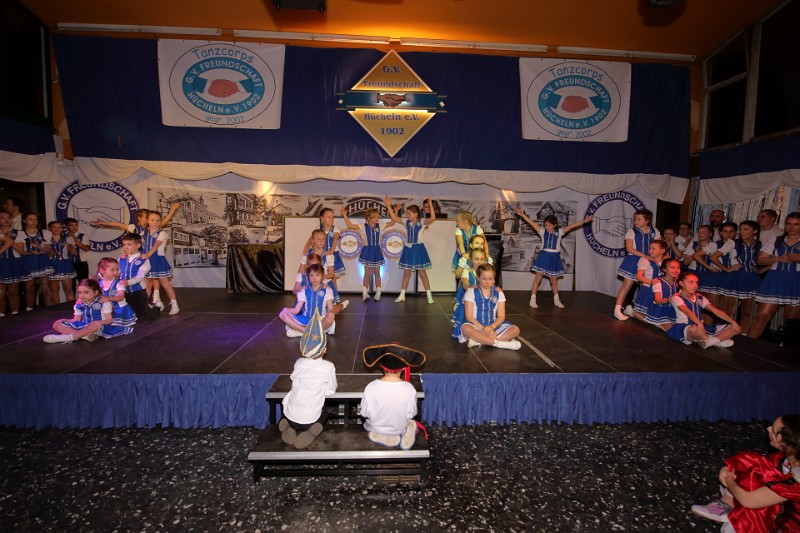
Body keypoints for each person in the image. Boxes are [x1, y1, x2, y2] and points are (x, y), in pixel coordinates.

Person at [691, 414, 800, 532]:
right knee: (756, 466)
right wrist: (728, 468)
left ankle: (734, 512)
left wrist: (730, 480)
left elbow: (747, 500)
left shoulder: (797, 480)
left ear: (788, 443)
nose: (768, 429)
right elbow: (754, 462)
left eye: (774, 431)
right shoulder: (787, 459)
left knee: (751, 506)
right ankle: (729, 502)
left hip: (791, 527)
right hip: (784, 512)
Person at [279, 310, 337, 449]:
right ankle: (312, 432)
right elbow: (331, 390)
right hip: (311, 420)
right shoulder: (328, 366)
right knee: (325, 413)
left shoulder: (298, 362)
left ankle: (286, 425)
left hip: (290, 417)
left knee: (290, 403)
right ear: (324, 350)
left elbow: (293, 378)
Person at [515, 208, 592, 309]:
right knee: (538, 278)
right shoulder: (542, 231)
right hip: (544, 256)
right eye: (545, 225)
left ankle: (556, 300)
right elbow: (531, 223)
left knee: (554, 281)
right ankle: (532, 299)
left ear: (554, 225)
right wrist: (522, 215)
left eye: (549, 225)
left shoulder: (560, 232)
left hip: (554, 258)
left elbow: (572, 226)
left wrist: (584, 221)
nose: (546, 227)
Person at [360, 343, 426, 449]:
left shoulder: (371, 387)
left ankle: (380, 435)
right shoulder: (409, 389)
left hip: (375, 428)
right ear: (403, 368)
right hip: (399, 428)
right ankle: (406, 431)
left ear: (381, 366)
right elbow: (412, 413)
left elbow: (364, 413)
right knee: (410, 422)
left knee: (369, 425)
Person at [749, 211, 800, 340]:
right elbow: (760, 260)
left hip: (796, 280)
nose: (791, 227)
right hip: (775, 279)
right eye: (788, 223)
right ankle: (747, 345)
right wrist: (778, 259)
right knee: (761, 315)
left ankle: (787, 348)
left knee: (791, 320)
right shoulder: (776, 239)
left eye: (796, 224)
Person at [453, 264, 522, 350]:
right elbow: (469, 317)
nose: (488, 282)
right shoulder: (471, 292)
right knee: (466, 329)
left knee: (515, 330)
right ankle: (500, 343)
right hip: (476, 326)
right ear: (478, 278)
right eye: (484, 279)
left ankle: (479, 341)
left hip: (493, 326)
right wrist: (484, 329)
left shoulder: (499, 293)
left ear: (494, 278)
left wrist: (491, 328)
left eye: (490, 279)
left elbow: (501, 316)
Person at [667, 271, 741, 349]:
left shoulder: (699, 297)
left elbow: (715, 311)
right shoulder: (676, 297)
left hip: (700, 326)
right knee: (693, 329)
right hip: (685, 327)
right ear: (681, 283)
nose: (695, 285)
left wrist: (733, 321)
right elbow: (687, 312)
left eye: (696, 282)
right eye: (691, 282)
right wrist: (699, 324)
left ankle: (709, 341)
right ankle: (717, 341)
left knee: (735, 327)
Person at [385, 195, 436, 304]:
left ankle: (429, 295)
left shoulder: (422, 222)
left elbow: (432, 218)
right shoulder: (406, 222)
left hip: (418, 249)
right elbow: (394, 218)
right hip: (408, 249)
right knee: (406, 273)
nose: (407, 215)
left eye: (409, 213)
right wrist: (388, 205)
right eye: (407, 213)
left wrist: (430, 204)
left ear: (416, 214)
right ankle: (402, 295)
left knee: (422, 273)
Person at [42, 279, 129, 343]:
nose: (82, 295)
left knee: (94, 325)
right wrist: (64, 320)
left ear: (95, 292)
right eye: (80, 293)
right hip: (84, 326)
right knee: (57, 324)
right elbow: (76, 320)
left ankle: (68, 337)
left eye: (86, 292)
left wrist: (99, 322)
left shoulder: (103, 302)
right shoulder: (79, 304)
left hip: (98, 326)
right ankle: (85, 336)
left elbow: (109, 320)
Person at [613, 209, 661, 321]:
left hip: (648, 262)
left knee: (646, 287)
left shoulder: (655, 231)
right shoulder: (631, 231)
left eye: (639, 219)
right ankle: (617, 309)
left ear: (647, 221)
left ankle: (643, 310)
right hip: (633, 260)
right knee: (627, 285)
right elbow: (629, 248)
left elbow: (659, 246)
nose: (636, 221)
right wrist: (646, 256)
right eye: (635, 219)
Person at [341, 206, 393, 301]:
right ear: (369, 218)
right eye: (375, 216)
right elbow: (350, 225)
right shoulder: (363, 226)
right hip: (367, 250)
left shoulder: (380, 225)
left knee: (377, 272)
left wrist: (395, 211)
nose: (377, 218)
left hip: (376, 250)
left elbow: (392, 223)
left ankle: (378, 292)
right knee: (367, 272)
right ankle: (364, 292)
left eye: (377, 216)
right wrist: (344, 214)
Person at [725, 221, 762, 336]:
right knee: (729, 310)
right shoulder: (733, 242)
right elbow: (714, 256)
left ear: (754, 231)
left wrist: (760, 270)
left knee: (746, 312)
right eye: (740, 229)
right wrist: (727, 269)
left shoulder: (759, 244)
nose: (742, 232)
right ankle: (725, 334)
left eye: (746, 229)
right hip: (735, 277)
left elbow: (771, 259)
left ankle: (744, 335)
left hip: (751, 278)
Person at [280, 263, 335, 337]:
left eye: (317, 275)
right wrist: (286, 310)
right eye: (311, 275)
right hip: (306, 320)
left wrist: (330, 313)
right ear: (308, 277)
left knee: (330, 318)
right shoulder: (304, 291)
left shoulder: (327, 290)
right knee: (282, 314)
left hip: (321, 321)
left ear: (322, 276)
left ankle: (301, 332)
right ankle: (308, 332)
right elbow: (296, 310)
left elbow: (330, 309)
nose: (314, 278)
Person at [141, 211, 179, 315]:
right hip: (147, 262)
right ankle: (143, 306)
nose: (155, 222)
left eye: (158, 220)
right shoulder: (143, 234)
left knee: (165, 284)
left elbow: (156, 245)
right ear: (147, 221)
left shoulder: (162, 233)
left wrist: (148, 254)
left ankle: (174, 305)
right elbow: (138, 246)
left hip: (158, 260)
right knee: (147, 285)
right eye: (152, 220)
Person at [13, 212, 53, 309]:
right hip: (28, 261)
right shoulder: (20, 234)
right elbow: (21, 252)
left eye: (35, 219)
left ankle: (49, 308)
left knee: (45, 286)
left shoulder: (44, 233)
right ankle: (29, 309)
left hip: (42, 260)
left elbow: (49, 250)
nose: (33, 221)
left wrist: (39, 247)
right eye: (30, 219)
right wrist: (31, 252)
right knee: (29, 287)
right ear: (24, 221)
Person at [118, 233, 160, 321]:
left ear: (138, 245)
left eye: (129, 244)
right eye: (124, 244)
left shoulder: (143, 260)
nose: (126, 247)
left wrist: (127, 282)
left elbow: (139, 277)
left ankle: (156, 309)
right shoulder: (121, 259)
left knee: (143, 317)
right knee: (127, 316)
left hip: (138, 292)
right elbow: (117, 272)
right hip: (124, 291)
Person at [626, 239, 667, 320]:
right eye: (649, 248)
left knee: (659, 315)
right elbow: (639, 276)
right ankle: (631, 312)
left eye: (653, 249)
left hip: (661, 291)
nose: (650, 251)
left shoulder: (666, 262)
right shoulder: (645, 260)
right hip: (648, 290)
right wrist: (651, 282)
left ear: (662, 251)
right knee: (648, 316)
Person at [451, 247, 488, 339]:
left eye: (482, 259)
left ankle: (479, 335)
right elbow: (465, 285)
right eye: (476, 259)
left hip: (481, 301)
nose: (479, 262)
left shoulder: (487, 272)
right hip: (469, 301)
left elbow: (491, 284)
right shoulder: (467, 271)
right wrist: (473, 288)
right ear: (470, 259)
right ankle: (466, 334)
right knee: (467, 319)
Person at [686, 224, 722, 318]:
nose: (700, 234)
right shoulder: (693, 244)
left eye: (704, 232)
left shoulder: (715, 245)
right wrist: (695, 253)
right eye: (699, 232)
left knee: (711, 305)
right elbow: (685, 262)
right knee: (696, 303)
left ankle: (709, 325)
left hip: (711, 275)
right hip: (695, 274)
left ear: (710, 234)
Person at [709, 222, 741, 318]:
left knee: (728, 309)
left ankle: (726, 326)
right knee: (715, 308)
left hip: (732, 277)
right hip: (717, 276)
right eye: (725, 231)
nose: (728, 234)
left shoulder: (739, 245)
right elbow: (707, 258)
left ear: (735, 233)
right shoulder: (715, 244)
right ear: (720, 233)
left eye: (731, 231)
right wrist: (725, 269)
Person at [96, 257, 138, 333]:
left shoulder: (119, 283)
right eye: (112, 270)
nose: (116, 272)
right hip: (106, 310)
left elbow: (121, 297)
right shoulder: (99, 283)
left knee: (109, 326)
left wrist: (108, 298)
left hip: (118, 309)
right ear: (102, 270)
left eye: (117, 269)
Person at [639, 257, 680, 331]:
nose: (676, 270)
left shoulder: (677, 283)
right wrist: (669, 299)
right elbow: (657, 301)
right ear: (664, 269)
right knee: (670, 329)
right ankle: (632, 312)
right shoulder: (658, 282)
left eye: (678, 267)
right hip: (659, 310)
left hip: (671, 310)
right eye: (672, 267)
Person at [46, 220, 76, 305]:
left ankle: (71, 307)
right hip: (52, 264)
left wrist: (71, 249)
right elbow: (46, 254)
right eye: (54, 227)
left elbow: (75, 253)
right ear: (50, 229)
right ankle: (57, 308)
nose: (57, 229)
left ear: (62, 229)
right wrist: (52, 252)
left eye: (59, 227)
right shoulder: (46, 240)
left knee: (68, 289)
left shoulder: (68, 239)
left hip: (65, 264)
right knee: (54, 290)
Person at [0, 212, 22, 316]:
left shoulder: (18, 233)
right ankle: (1, 314)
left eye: (8, 217)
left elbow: (21, 251)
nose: (6, 220)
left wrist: (10, 241)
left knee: (13, 290)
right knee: (1, 292)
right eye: (2, 218)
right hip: (1, 263)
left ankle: (15, 313)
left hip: (13, 262)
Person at [318, 207, 345, 282]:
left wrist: (331, 250)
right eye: (328, 217)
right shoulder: (318, 229)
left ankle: (333, 290)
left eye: (332, 217)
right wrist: (307, 246)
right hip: (322, 256)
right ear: (322, 218)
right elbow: (312, 239)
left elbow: (335, 238)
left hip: (333, 255)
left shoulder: (336, 228)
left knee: (332, 279)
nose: (331, 219)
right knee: (320, 277)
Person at [64, 217, 90, 282]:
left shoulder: (83, 236)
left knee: (83, 283)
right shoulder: (63, 237)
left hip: (81, 263)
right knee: (71, 284)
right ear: (66, 226)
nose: (74, 227)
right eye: (71, 225)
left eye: (76, 225)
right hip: (68, 263)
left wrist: (74, 240)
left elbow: (86, 248)